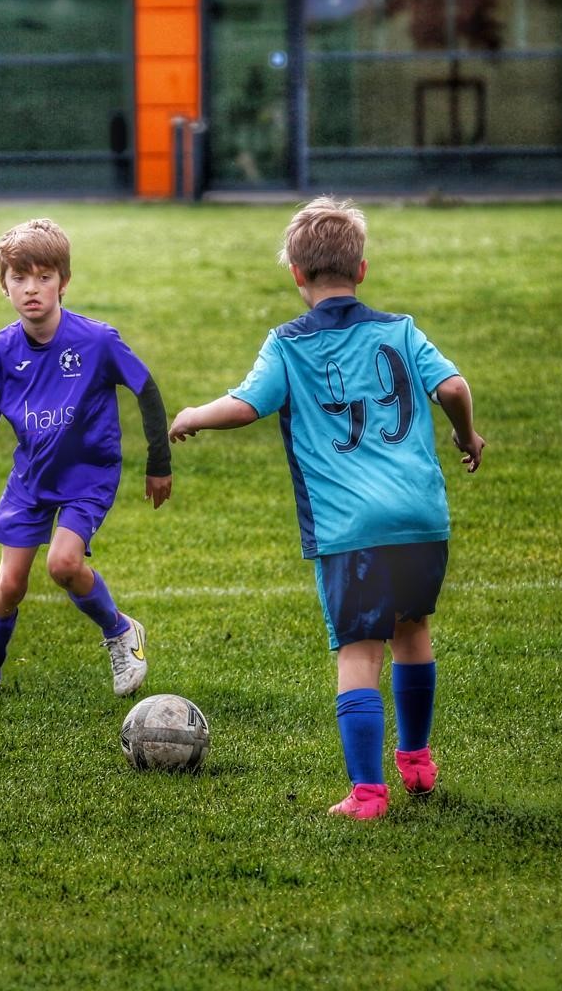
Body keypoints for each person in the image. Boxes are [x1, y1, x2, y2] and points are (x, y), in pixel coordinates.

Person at [169, 197, 484, 820]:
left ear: (295, 274)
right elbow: (452, 386)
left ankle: (368, 795)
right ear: (361, 270)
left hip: (350, 530)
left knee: (359, 652)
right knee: (412, 633)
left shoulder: (288, 345)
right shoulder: (401, 330)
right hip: (422, 519)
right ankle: (417, 761)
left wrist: (191, 417)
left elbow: (246, 405)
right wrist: (465, 435)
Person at [0, 218, 172, 703]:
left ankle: (119, 631)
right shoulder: (1, 349)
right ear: (3, 285)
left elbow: (147, 390)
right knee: (8, 585)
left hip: (88, 475)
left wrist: (159, 462)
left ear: (63, 282)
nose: (32, 289)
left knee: (63, 563)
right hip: (31, 477)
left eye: (44, 277)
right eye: (20, 278)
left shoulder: (96, 341)